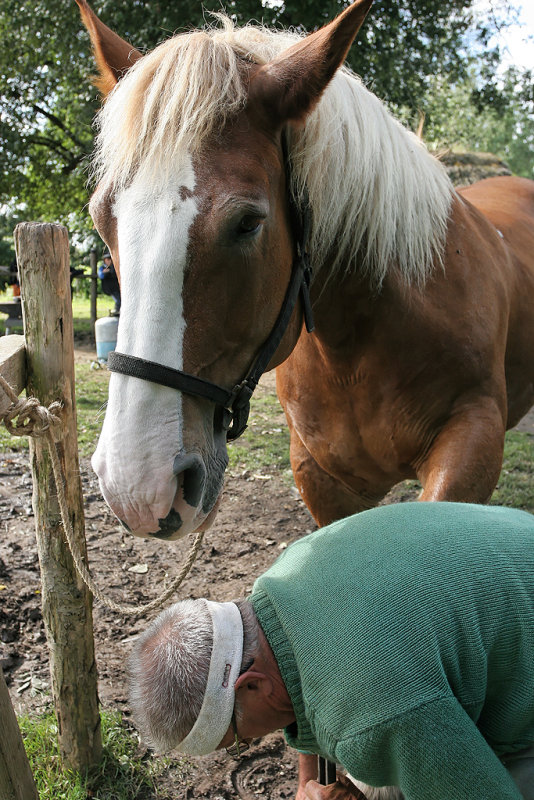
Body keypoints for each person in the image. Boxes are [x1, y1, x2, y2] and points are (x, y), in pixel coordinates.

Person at [129, 502, 534, 800]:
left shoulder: (373, 712)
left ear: (250, 685)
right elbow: (299, 684)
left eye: (239, 740)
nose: (248, 744)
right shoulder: (286, 577)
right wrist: (310, 782)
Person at [98, 250, 121, 315]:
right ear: (104, 260)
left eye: (110, 259)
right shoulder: (102, 268)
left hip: (116, 288)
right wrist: (105, 272)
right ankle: (116, 313)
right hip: (109, 289)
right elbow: (101, 275)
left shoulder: (115, 267)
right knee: (118, 301)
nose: (109, 261)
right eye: (107, 259)